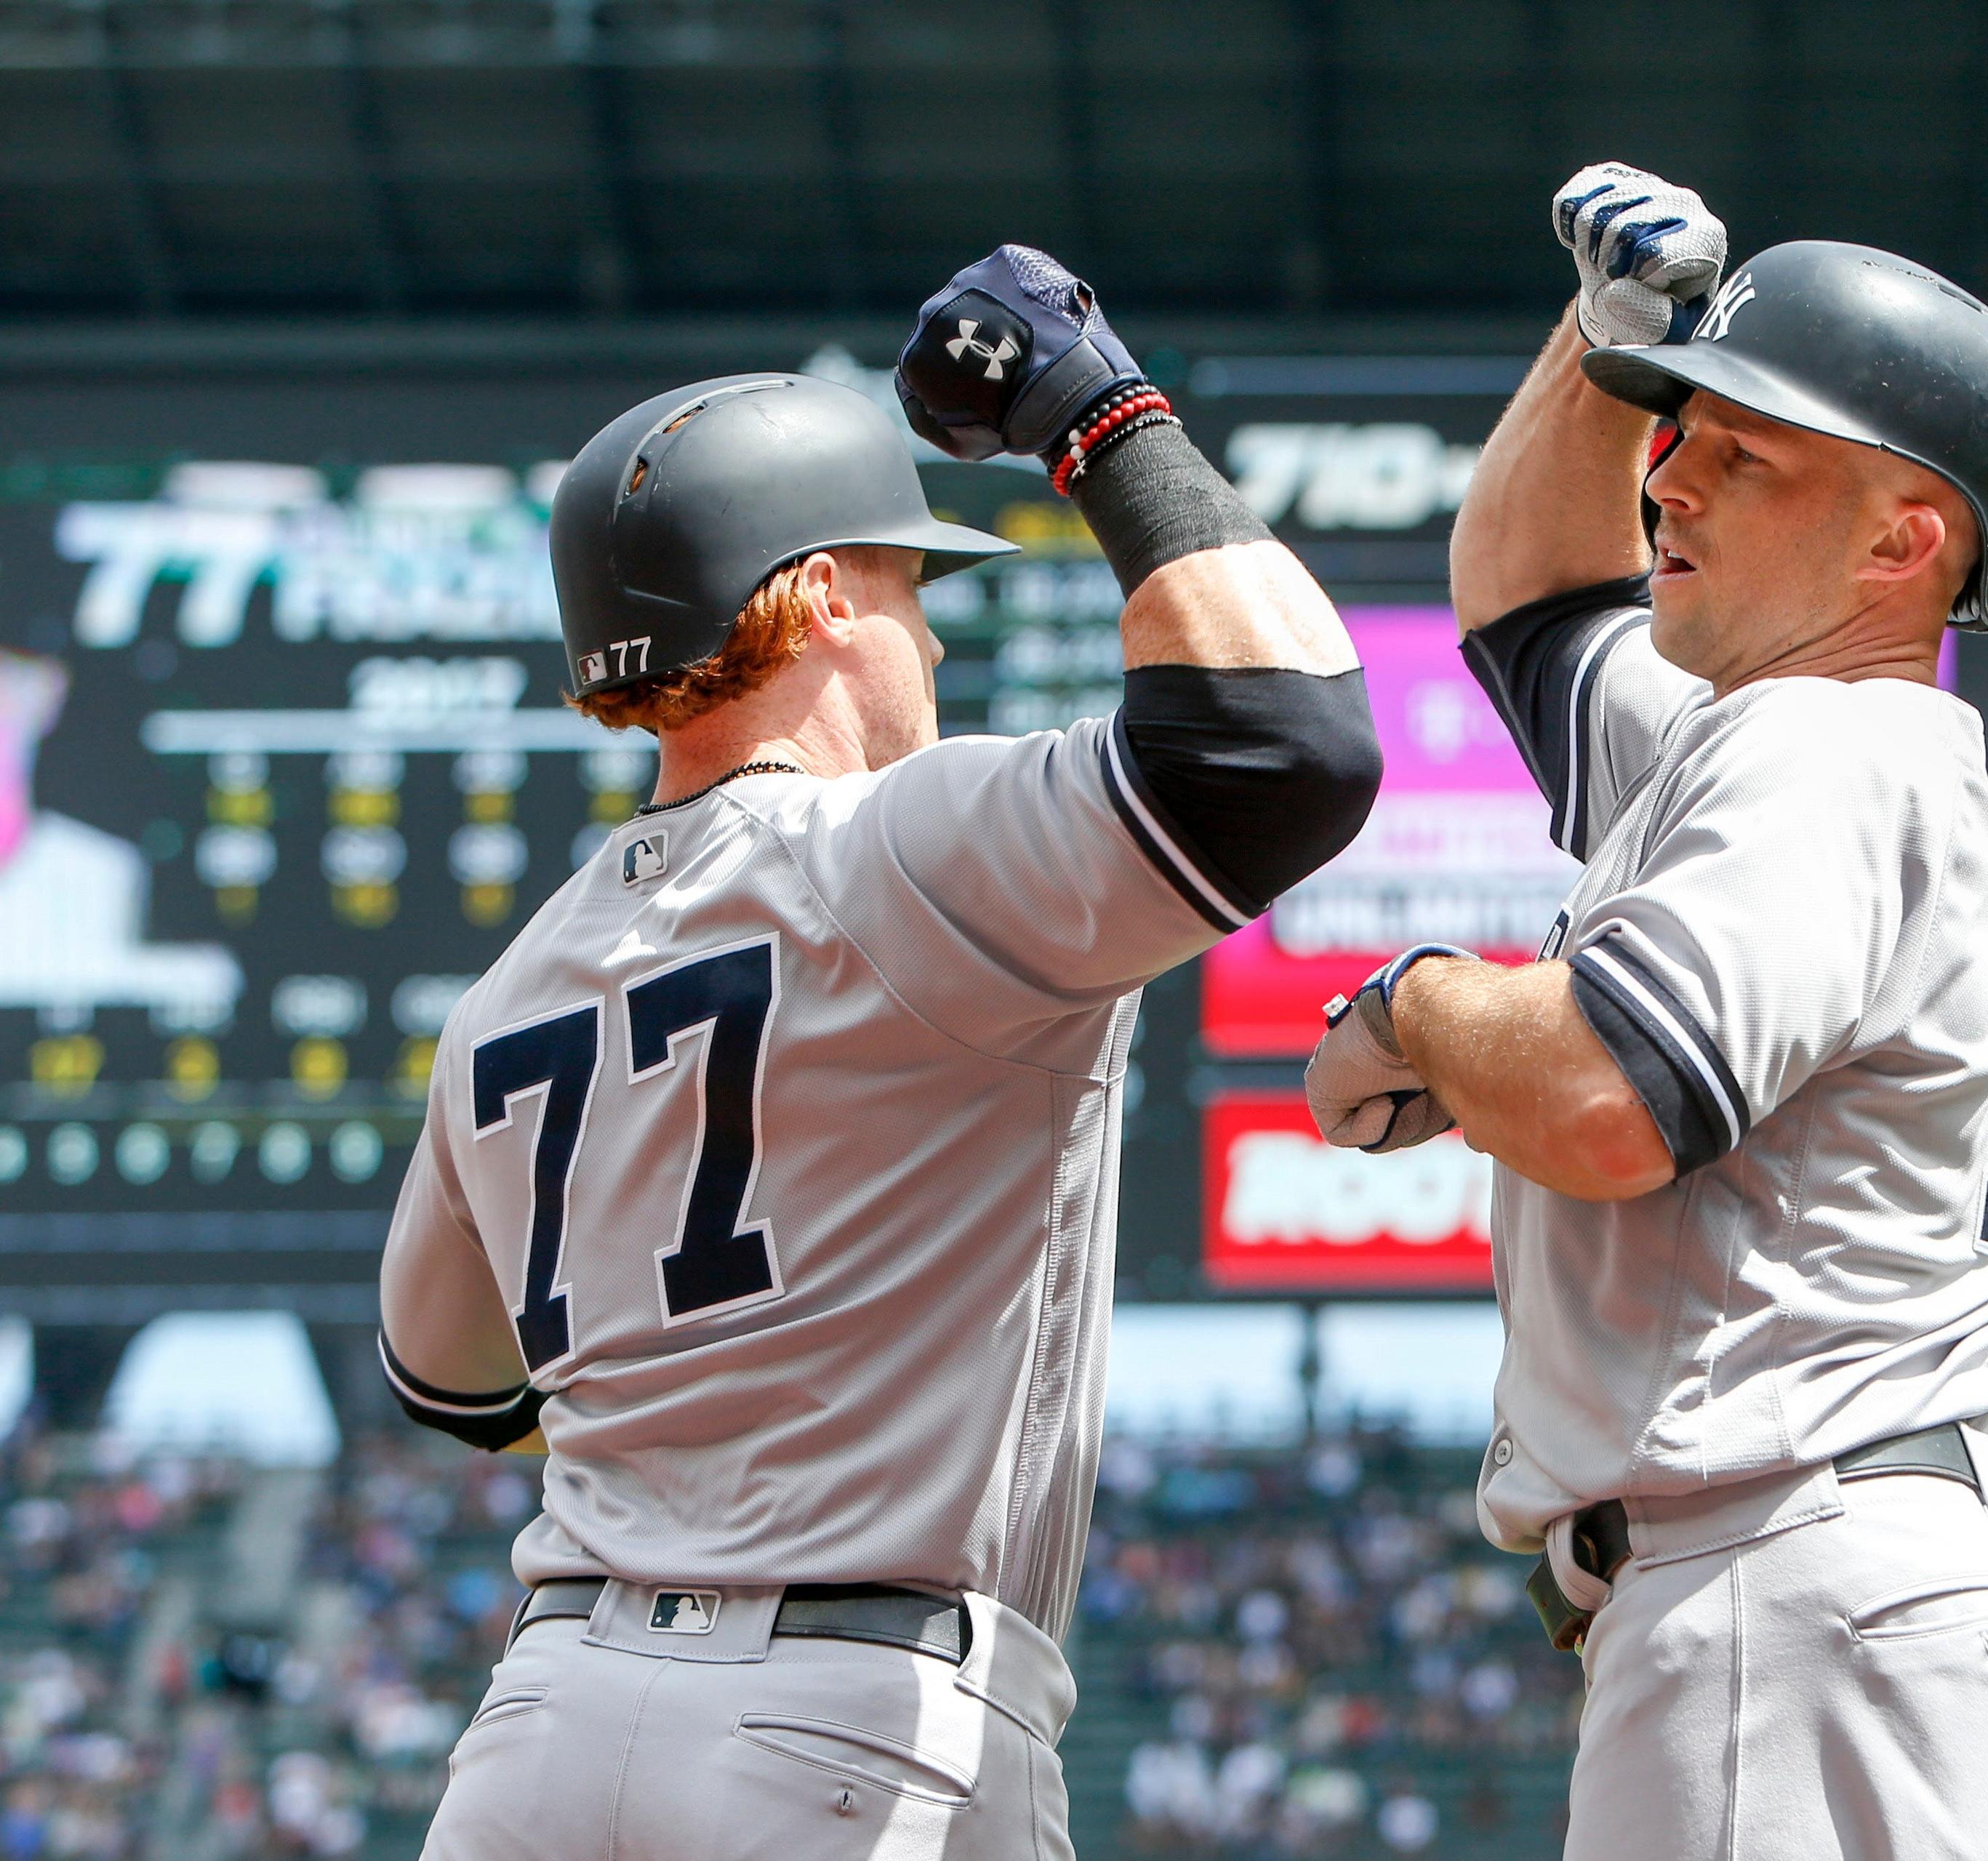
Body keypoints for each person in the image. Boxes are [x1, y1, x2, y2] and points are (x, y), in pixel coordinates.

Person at [380, 248, 1380, 1860]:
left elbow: (454, 1381)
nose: (930, 633)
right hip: (845, 1724)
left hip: (539, 1730)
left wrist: (688, 1436)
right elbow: (1289, 740)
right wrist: (1093, 403)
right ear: (826, 594)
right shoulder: (905, 848)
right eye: (910, 584)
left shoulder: (507, 988)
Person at [1304, 162, 1988, 1857]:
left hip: (1796, 1591)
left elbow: (1608, 1096)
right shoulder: (1754, 732)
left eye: (1743, 454)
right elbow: (1530, 597)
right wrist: (1606, 337)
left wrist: (1418, 1000)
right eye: (1678, 433)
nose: (1667, 476)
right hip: (1864, 1601)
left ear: (1907, 540)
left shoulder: (1818, 744)